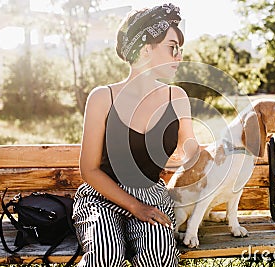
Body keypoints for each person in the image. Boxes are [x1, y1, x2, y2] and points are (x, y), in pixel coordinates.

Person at [72, 3, 199, 267]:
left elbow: (189, 151)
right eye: (172, 47)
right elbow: (89, 170)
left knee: (160, 258)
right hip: (101, 199)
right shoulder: (102, 98)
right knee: (106, 255)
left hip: (152, 196)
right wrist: (135, 207)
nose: (178, 56)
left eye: (180, 49)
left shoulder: (177, 98)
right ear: (145, 50)